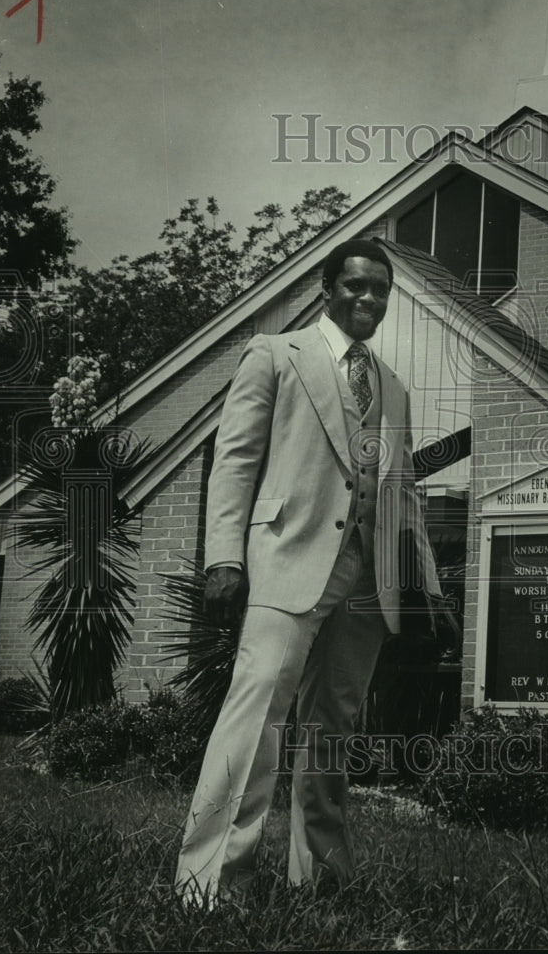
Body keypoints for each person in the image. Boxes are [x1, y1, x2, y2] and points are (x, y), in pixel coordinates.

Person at [175, 237, 441, 904]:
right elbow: (234, 460)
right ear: (328, 289)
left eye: (380, 289)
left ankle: (320, 882)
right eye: (356, 286)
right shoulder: (275, 353)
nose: (369, 299)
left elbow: (404, 491)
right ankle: (210, 885)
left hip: (364, 582)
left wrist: (426, 588)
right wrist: (225, 557)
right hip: (282, 564)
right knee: (254, 718)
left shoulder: (393, 388)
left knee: (332, 733)